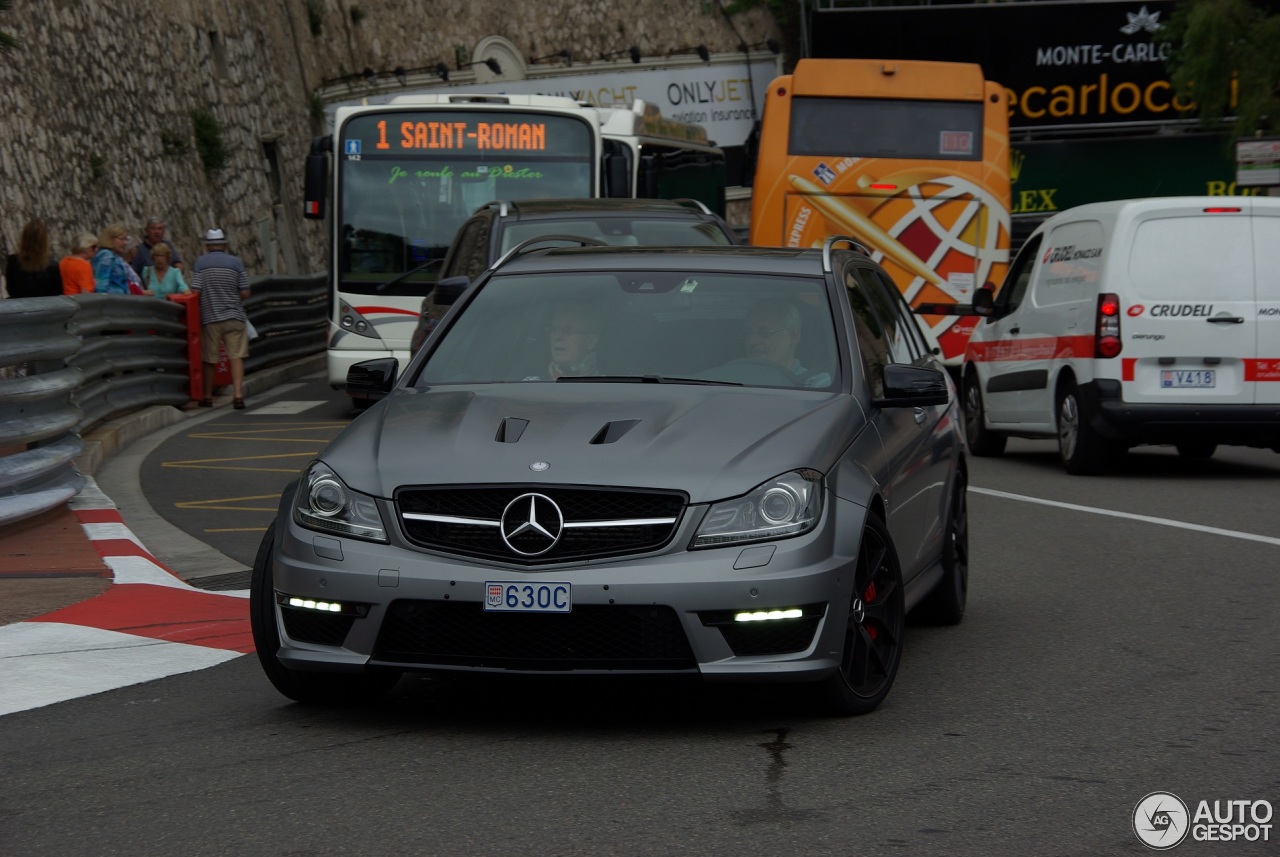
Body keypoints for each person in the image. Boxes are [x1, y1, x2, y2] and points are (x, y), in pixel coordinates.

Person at [190, 227, 251, 408]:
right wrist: (232, 297)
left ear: (208, 246)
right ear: (224, 245)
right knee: (236, 356)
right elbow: (246, 292)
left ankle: (207, 396)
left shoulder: (200, 263)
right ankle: (238, 395)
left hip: (210, 317)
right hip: (234, 316)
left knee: (209, 358)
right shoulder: (236, 263)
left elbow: (195, 291)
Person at [741, 298, 831, 387]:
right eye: (747, 333)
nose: (752, 341)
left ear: (793, 335)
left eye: (764, 332)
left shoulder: (819, 385)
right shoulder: (734, 380)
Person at [525, 303, 601, 380]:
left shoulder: (607, 385)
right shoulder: (529, 385)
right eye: (554, 329)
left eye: (569, 330)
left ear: (591, 341)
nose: (557, 337)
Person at [4, 218, 62, 298]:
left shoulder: (13, 261)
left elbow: (10, 289)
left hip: (20, 306)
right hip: (46, 308)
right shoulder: (53, 266)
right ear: (44, 241)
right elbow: (57, 293)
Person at [92, 224, 134, 294]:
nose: (125, 243)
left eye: (126, 239)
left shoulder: (114, 256)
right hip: (113, 301)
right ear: (111, 239)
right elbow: (101, 285)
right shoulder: (106, 256)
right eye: (122, 239)